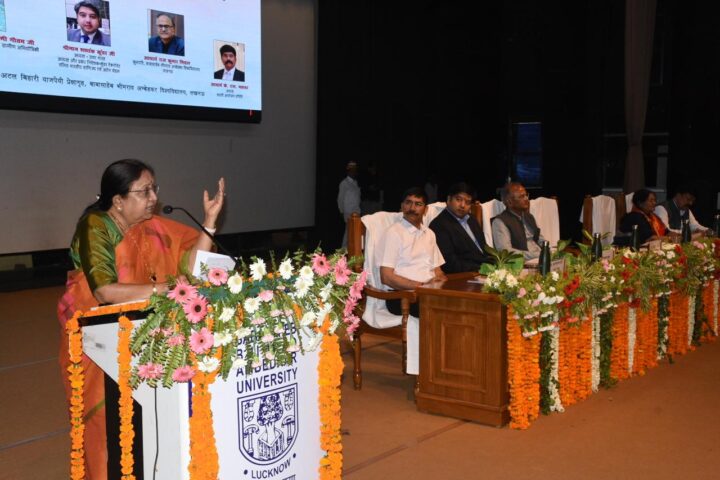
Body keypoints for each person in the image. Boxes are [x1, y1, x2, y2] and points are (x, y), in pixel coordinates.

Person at [56, 159, 224, 479]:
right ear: (118, 200)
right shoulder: (96, 226)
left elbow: (192, 266)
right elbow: (104, 290)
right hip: (96, 339)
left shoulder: (153, 227)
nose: (153, 198)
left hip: (141, 331)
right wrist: (166, 289)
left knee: (145, 416)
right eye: (144, 191)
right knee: (104, 421)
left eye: (153, 189)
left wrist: (210, 222)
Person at [378, 187, 446, 317]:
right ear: (402, 206)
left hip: (427, 294)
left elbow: (438, 271)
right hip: (402, 296)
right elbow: (386, 277)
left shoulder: (429, 234)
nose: (412, 208)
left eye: (418, 204)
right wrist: (421, 286)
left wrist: (441, 284)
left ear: (426, 210)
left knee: (462, 303)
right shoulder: (394, 233)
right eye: (408, 202)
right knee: (443, 311)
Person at [429, 182, 492, 273]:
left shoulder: (471, 219)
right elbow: (450, 263)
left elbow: (484, 249)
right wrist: (482, 269)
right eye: (458, 199)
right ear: (449, 200)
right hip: (466, 274)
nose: (463, 205)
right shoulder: (439, 225)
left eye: (467, 202)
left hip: (486, 269)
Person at [492, 182, 545, 261]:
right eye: (521, 196)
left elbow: (540, 240)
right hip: (524, 263)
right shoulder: (500, 222)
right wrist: (537, 255)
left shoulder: (529, 217)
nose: (526, 199)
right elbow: (505, 252)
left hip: (540, 257)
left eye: (526, 195)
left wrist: (549, 250)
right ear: (509, 202)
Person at [337, 161, 361, 247]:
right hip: (348, 212)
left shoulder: (355, 183)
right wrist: (341, 211)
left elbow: (357, 198)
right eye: (352, 170)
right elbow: (340, 198)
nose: (354, 172)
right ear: (349, 171)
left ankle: (352, 250)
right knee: (348, 232)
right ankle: (343, 250)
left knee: (355, 233)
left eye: (355, 170)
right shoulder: (344, 183)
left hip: (356, 211)